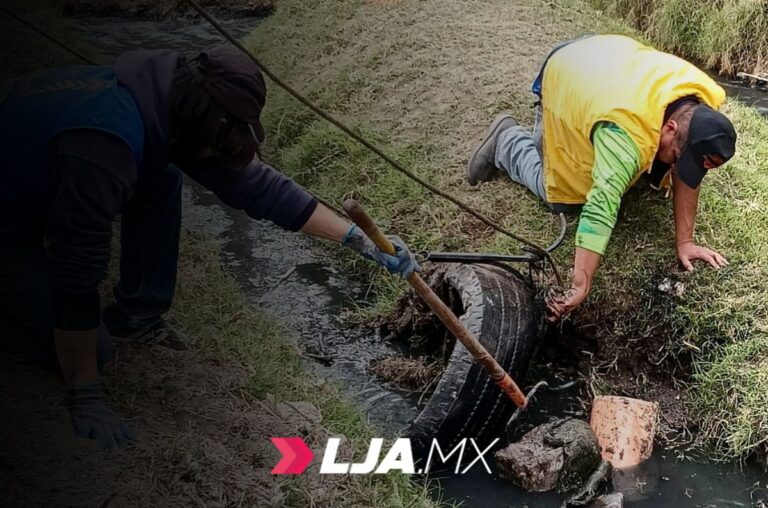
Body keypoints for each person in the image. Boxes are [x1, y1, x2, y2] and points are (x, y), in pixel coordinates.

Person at [0, 44, 419, 449]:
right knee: (96, 350)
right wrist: (85, 394)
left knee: (161, 174)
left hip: (34, 187)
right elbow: (76, 273)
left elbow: (257, 186)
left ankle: (138, 316)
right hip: (13, 223)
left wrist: (357, 239)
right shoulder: (102, 146)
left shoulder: (166, 100)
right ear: (206, 124)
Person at [465, 34, 736, 321]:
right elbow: (600, 207)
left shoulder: (700, 106)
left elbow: (690, 171)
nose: (681, 167)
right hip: (565, 71)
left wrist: (686, 242)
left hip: (604, 53)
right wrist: (580, 284)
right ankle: (507, 140)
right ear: (669, 127)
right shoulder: (627, 135)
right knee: (563, 195)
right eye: (679, 158)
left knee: (642, 166)